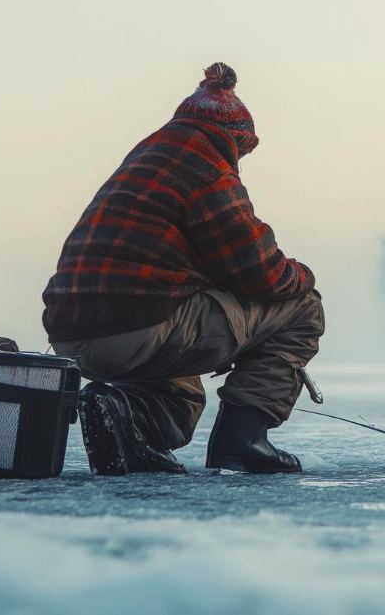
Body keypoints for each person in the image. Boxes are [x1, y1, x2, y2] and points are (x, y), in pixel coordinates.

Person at [42, 63, 323, 475]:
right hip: (138, 328)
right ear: (234, 137)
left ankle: (123, 414)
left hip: (73, 337)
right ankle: (241, 442)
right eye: (242, 150)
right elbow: (259, 269)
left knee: (183, 392)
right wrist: (304, 275)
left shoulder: (147, 157)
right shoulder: (206, 163)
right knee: (304, 307)